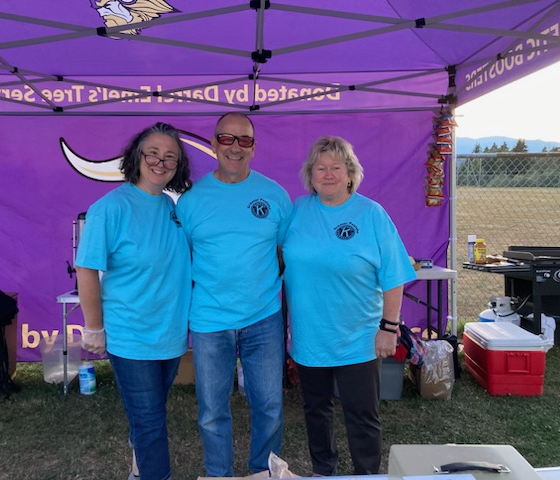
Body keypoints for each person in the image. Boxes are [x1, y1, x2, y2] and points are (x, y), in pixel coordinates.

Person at [281, 135, 416, 475]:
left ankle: (366, 474)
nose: (328, 174)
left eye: (336, 168)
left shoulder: (371, 214)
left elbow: (394, 275)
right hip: (310, 336)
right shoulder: (296, 211)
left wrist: (389, 328)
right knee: (316, 410)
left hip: (359, 336)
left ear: (350, 173)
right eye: (320, 168)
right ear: (310, 175)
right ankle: (324, 471)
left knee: (362, 415)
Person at [176, 112, 293, 477]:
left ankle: (265, 471)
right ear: (213, 144)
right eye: (226, 139)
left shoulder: (275, 195)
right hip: (210, 320)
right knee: (212, 409)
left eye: (244, 140)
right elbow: (181, 259)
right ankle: (218, 474)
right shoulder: (191, 201)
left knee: (270, 405)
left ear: (254, 147)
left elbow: (287, 253)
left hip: (263, 318)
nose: (235, 147)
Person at [75, 122, 192, 480]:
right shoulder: (110, 208)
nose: (161, 161)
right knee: (150, 421)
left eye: (170, 156)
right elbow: (87, 269)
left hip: (171, 336)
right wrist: (94, 327)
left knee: (150, 413)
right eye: (153, 153)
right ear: (136, 158)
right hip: (131, 336)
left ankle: (139, 466)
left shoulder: (175, 208)